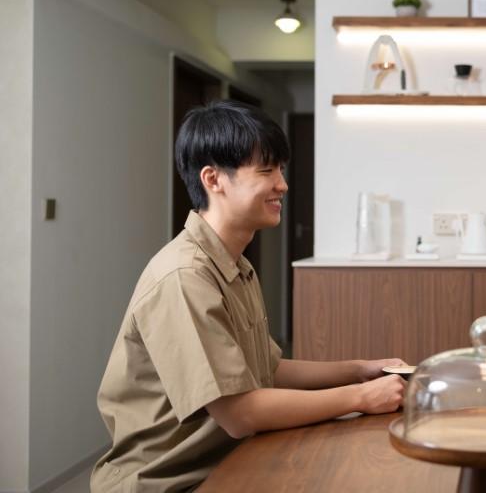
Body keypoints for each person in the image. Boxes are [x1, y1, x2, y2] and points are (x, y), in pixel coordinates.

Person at [91, 100, 406, 492]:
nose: (282, 185)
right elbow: (240, 412)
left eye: (281, 170)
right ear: (213, 179)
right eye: (266, 170)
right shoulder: (185, 276)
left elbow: (266, 369)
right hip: (168, 482)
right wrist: (360, 396)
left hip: (229, 461)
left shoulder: (235, 263)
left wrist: (359, 369)